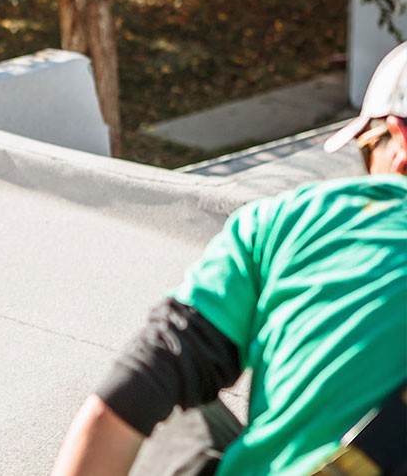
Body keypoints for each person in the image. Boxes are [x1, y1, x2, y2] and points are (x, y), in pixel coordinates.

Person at [52, 41, 407, 475]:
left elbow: (123, 401)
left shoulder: (287, 221)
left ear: (398, 137)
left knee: (173, 398)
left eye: (367, 150)